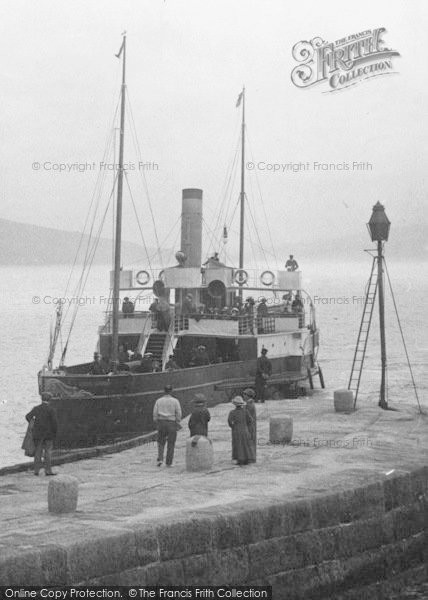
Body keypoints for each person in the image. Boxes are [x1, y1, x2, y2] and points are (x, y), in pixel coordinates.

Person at [25, 393, 58, 476]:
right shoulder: (51, 410)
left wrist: (33, 423)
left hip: (38, 434)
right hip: (48, 435)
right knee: (47, 453)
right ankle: (48, 471)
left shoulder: (36, 408)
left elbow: (27, 416)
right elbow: (54, 423)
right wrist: (55, 433)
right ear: (50, 400)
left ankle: (36, 471)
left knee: (38, 453)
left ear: (42, 399)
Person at [153, 384, 182, 467]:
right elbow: (179, 413)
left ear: (164, 391)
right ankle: (169, 462)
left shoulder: (158, 401)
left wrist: (156, 421)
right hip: (171, 423)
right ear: (171, 391)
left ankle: (160, 459)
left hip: (161, 422)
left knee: (161, 442)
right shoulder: (175, 401)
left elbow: (155, 413)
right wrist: (177, 421)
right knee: (171, 443)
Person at [227, 396, 253, 466]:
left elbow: (229, 421)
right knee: (245, 444)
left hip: (236, 430)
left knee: (238, 445)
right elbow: (250, 420)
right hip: (245, 430)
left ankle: (239, 459)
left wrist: (233, 427)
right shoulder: (246, 411)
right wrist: (246, 426)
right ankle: (247, 458)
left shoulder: (232, 412)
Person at [242, 388, 257, 463]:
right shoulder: (249, 404)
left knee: (250, 440)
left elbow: (246, 416)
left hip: (249, 426)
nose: (243, 396)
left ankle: (251, 457)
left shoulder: (249, 405)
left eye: (244, 394)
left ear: (248, 396)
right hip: (250, 425)